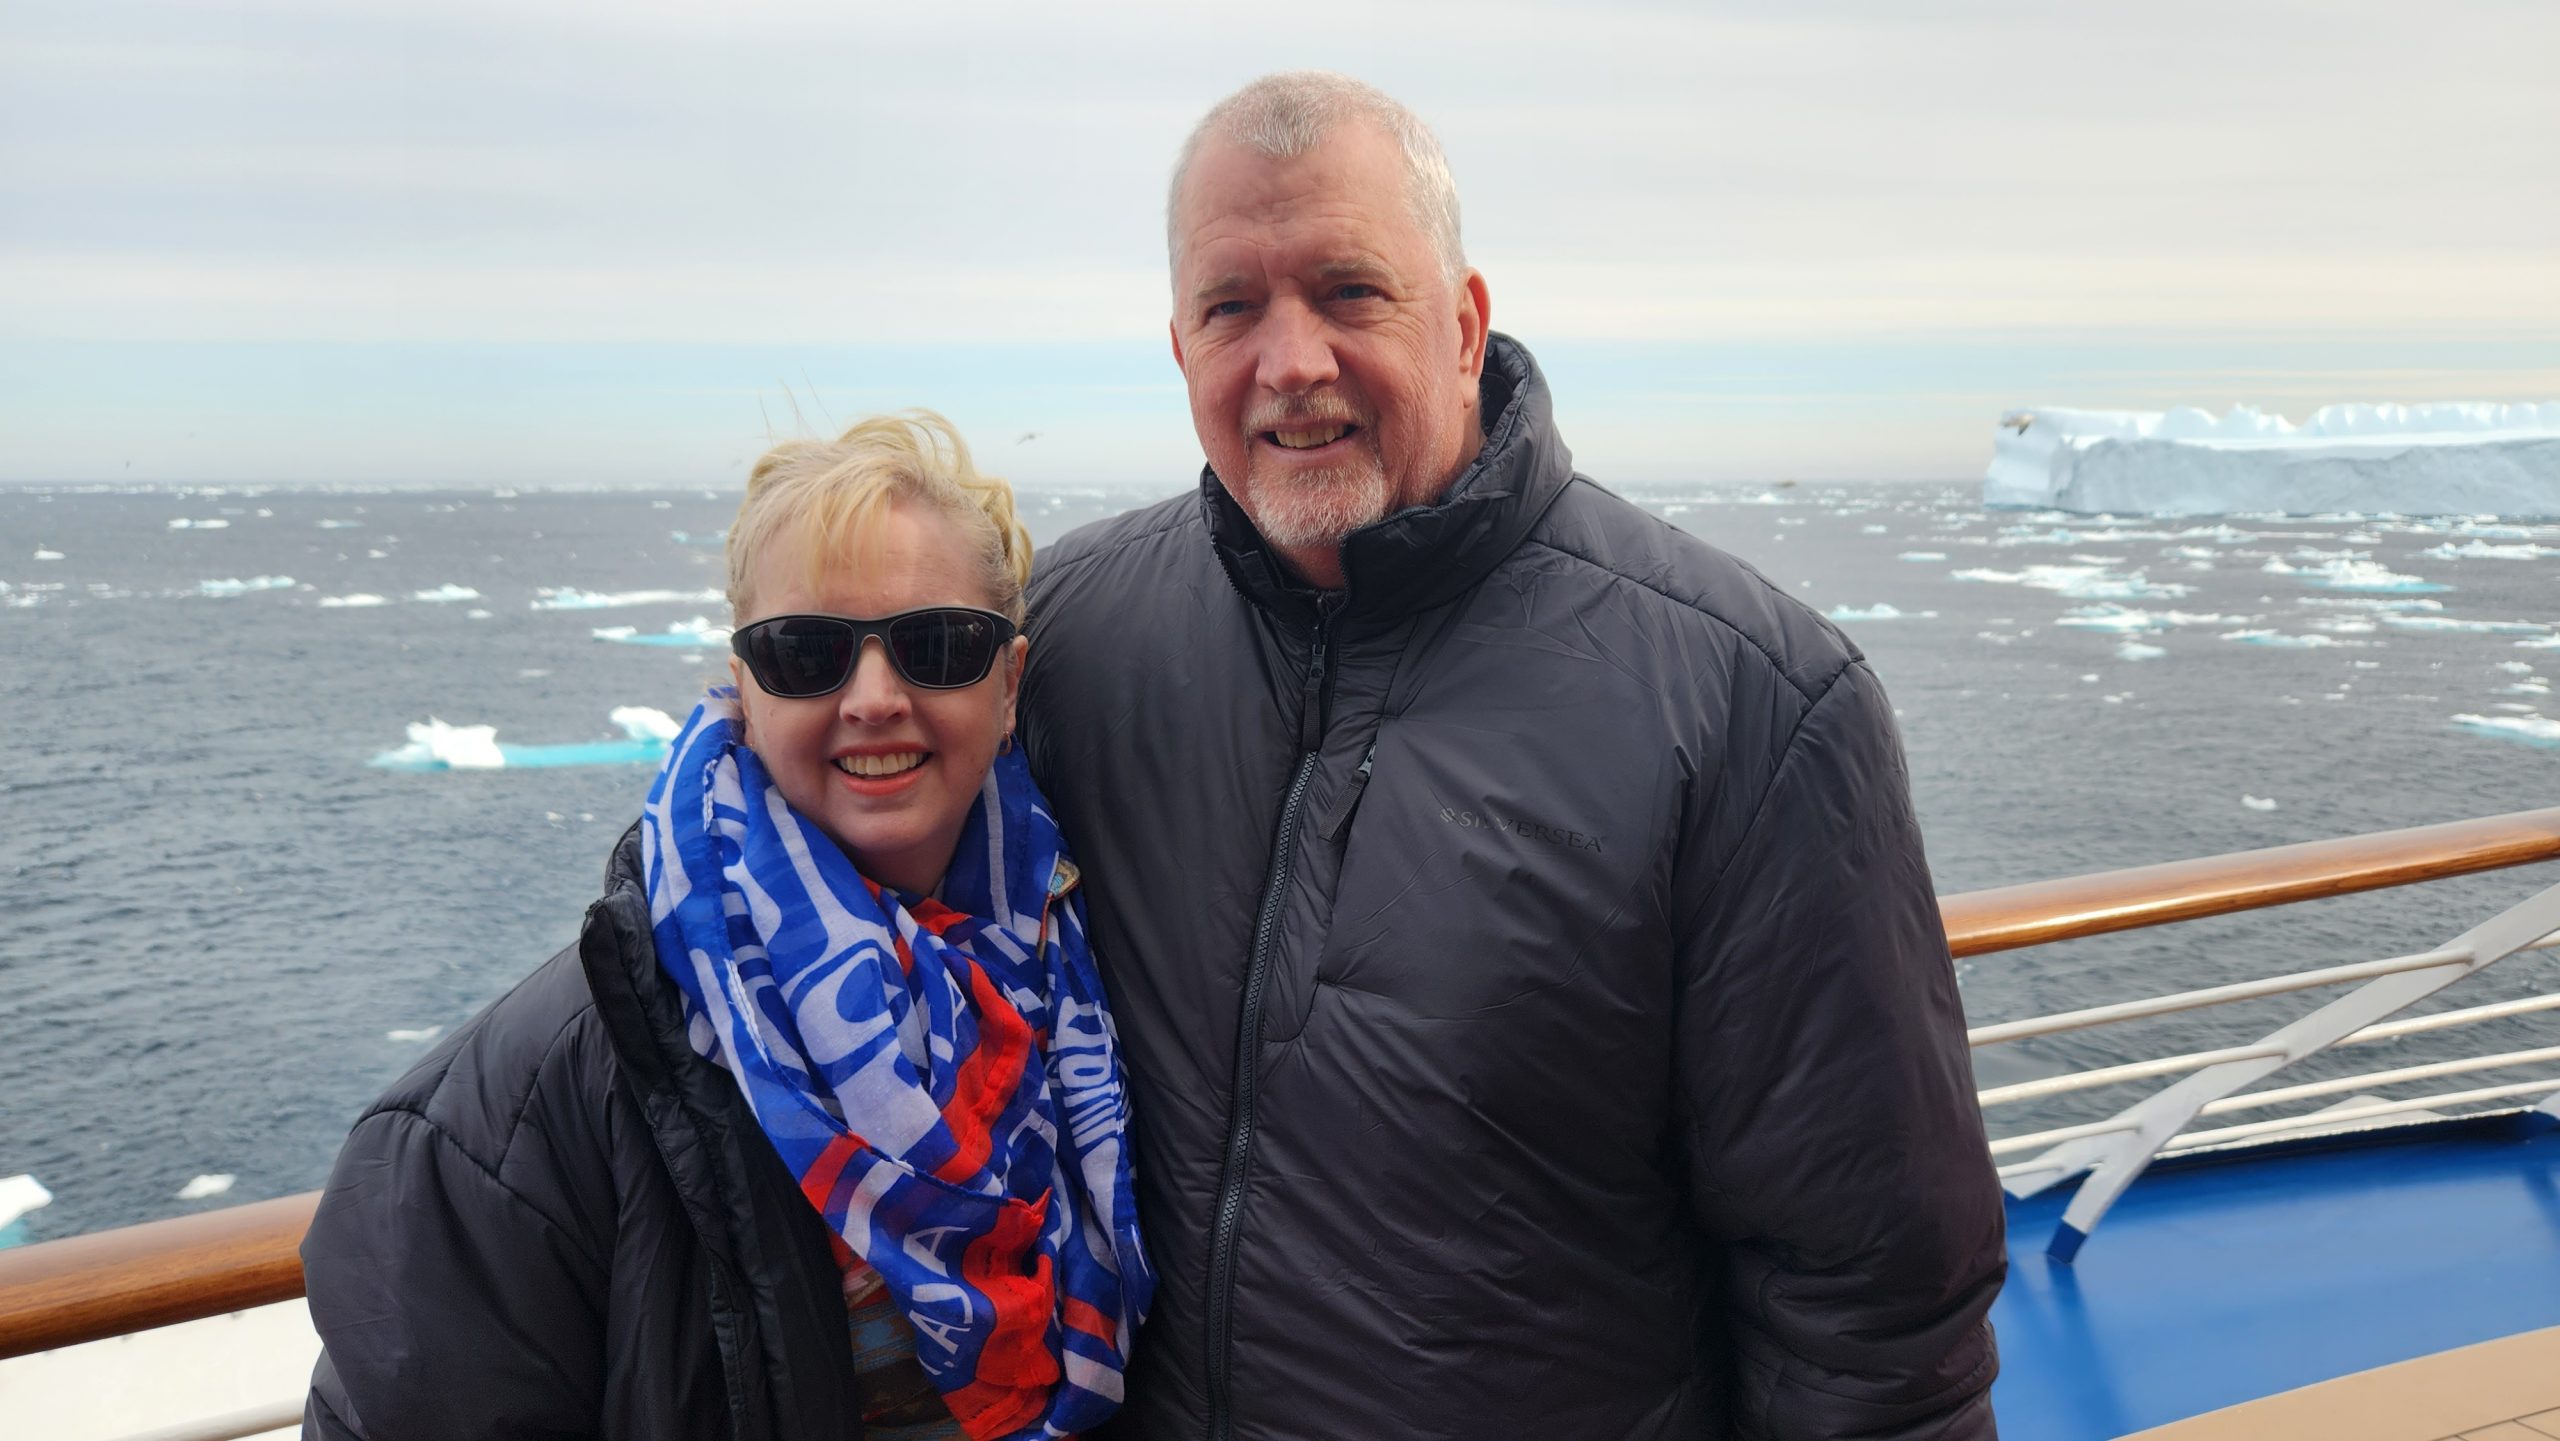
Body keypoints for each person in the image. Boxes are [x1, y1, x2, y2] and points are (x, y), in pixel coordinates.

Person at [1020, 72, 2004, 1440]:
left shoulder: (1749, 702)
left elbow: (1871, 1309)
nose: (1290, 361)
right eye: (1231, 307)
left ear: (1464, 324)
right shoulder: (1069, 634)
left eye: (1350, 291)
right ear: (1181, 347)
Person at [301, 413, 1152, 1441]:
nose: (874, 697)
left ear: (1008, 683)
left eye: (936, 645)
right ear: (744, 684)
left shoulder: (1087, 976)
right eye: (806, 653)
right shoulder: (516, 1121)